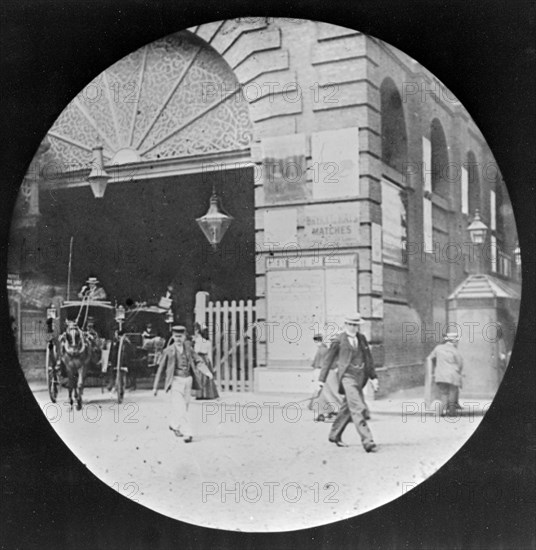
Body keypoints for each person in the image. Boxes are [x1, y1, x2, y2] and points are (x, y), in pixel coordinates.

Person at [319, 313, 379, 452]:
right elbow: (327, 360)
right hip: (347, 377)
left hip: (360, 377)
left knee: (347, 408)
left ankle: (334, 434)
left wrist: (373, 377)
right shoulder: (338, 340)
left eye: (355, 325)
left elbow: (368, 359)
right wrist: (321, 380)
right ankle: (367, 440)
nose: (353, 327)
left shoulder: (362, 339)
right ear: (345, 325)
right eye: (350, 324)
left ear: (358, 325)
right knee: (358, 407)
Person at [153, 325, 212, 443]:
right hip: (175, 382)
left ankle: (174, 424)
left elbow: (198, 360)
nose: (178, 339)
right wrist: (155, 387)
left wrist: (207, 372)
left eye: (180, 336)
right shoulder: (168, 351)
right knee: (180, 407)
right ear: (173, 336)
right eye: (176, 336)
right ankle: (188, 432)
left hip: (188, 381)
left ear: (184, 337)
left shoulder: (189, 349)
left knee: (184, 406)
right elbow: (160, 369)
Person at [427, 331, 464, 417]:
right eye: (457, 341)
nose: (457, 343)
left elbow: (430, 358)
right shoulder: (455, 351)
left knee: (444, 393)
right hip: (452, 376)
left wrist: (433, 370)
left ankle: (443, 411)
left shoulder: (438, 348)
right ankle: (451, 413)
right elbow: (460, 363)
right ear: (454, 341)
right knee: (452, 393)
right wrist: (458, 371)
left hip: (440, 375)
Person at [309, 334, 341, 421]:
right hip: (326, 372)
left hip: (322, 372)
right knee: (326, 393)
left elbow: (318, 363)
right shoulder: (327, 350)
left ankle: (321, 413)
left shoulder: (323, 350)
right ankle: (325, 412)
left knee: (321, 393)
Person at [194, 323, 219, 400]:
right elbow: (209, 353)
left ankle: (200, 394)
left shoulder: (198, 340)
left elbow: (196, 350)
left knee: (200, 376)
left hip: (200, 357)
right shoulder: (208, 341)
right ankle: (209, 394)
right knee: (207, 376)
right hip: (206, 359)